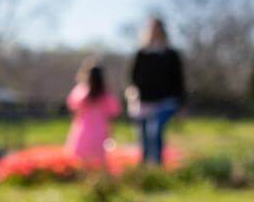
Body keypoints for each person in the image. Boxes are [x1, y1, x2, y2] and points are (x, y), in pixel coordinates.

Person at [127, 17, 184, 165]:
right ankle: (145, 167)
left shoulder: (171, 55)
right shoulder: (142, 54)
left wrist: (181, 104)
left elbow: (179, 80)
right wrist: (133, 97)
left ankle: (157, 164)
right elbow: (133, 79)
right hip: (144, 102)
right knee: (144, 136)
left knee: (155, 129)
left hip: (166, 102)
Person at [65, 58, 120, 166]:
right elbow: (113, 114)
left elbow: (73, 108)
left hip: (83, 129)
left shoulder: (80, 92)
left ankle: (84, 180)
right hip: (100, 131)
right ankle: (99, 180)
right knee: (100, 160)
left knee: (82, 160)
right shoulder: (106, 95)